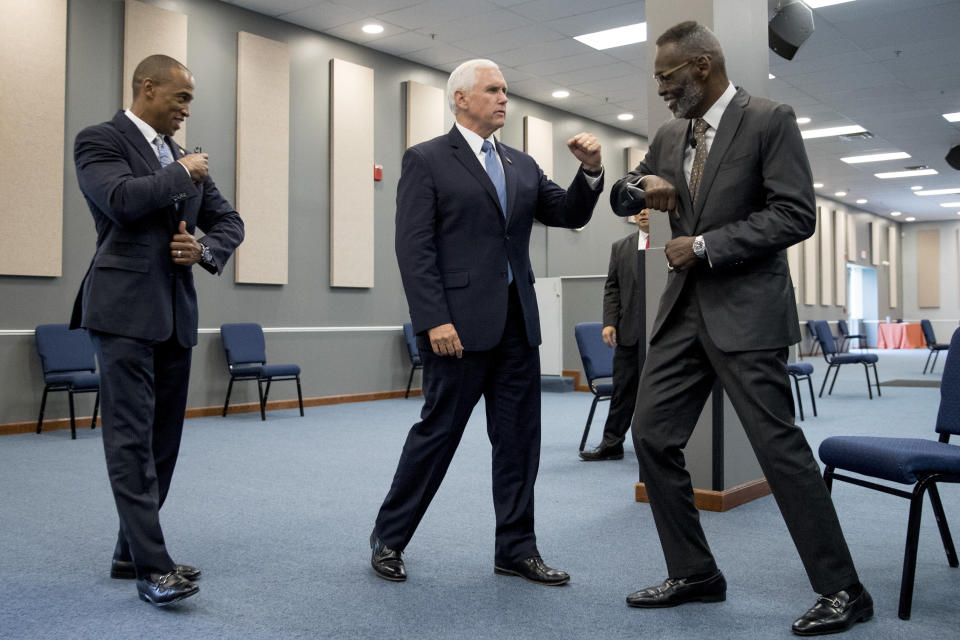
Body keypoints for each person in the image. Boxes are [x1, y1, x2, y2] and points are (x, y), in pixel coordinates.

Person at [609, 22, 871, 636]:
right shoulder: (672, 134)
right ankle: (696, 572)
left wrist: (702, 245)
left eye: (666, 77)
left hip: (748, 311)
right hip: (682, 313)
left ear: (700, 67)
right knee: (651, 436)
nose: (661, 88)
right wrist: (639, 186)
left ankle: (843, 589)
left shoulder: (769, 119)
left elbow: (794, 214)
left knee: (778, 450)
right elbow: (627, 195)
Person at [371, 58, 603, 586]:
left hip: (518, 326)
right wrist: (433, 320)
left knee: (520, 442)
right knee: (437, 436)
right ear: (461, 98)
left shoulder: (520, 164)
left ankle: (516, 549)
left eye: (506, 90)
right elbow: (414, 249)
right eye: (494, 90)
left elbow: (568, 213)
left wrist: (589, 173)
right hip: (455, 330)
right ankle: (389, 537)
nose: (504, 98)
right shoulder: (426, 159)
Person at [72, 54, 244, 606]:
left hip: (175, 316)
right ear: (148, 89)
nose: (187, 110)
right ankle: (152, 565)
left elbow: (230, 222)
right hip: (121, 312)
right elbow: (120, 201)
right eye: (182, 98)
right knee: (129, 441)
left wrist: (205, 248)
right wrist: (181, 172)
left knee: (162, 444)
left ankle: (130, 552)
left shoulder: (182, 155)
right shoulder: (99, 139)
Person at [580, 210, 650, 461]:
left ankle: (657, 448)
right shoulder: (621, 247)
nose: (643, 212)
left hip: (665, 331)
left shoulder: (675, 240)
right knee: (623, 391)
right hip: (630, 331)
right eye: (639, 208)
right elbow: (612, 288)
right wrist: (609, 323)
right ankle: (612, 443)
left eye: (649, 206)